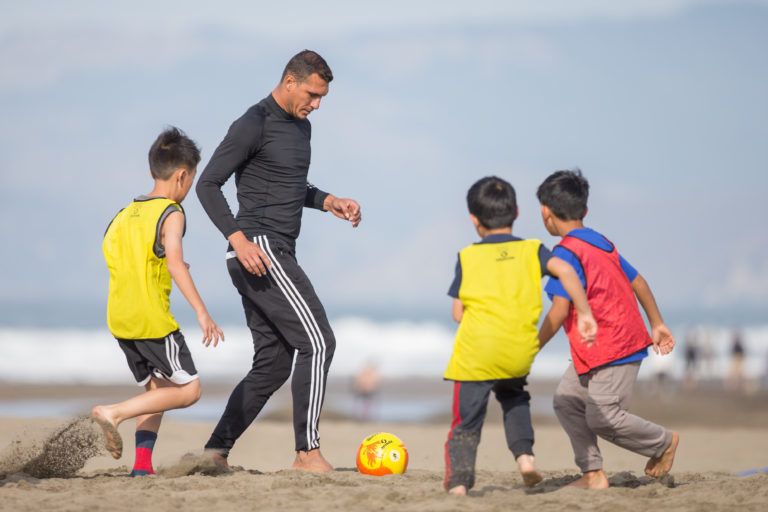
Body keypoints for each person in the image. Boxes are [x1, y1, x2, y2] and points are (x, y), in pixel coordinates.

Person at [196, 50, 361, 473]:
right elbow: (208, 184)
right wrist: (238, 238)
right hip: (260, 249)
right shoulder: (255, 122)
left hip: (270, 250)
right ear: (290, 80)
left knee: (273, 366)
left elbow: (290, 184)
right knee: (320, 342)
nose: (317, 104)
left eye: (322, 97)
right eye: (312, 93)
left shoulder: (301, 128)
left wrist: (329, 201)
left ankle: (216, 451)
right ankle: (307, 453)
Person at [443, 176, 597, 495]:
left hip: (478, 354)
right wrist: (584, 312)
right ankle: (526, 458)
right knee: (514, 398)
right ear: (515, 212)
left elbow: (458, 313)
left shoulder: (467, 257)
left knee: (466, 422)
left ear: (474, 219)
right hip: (519, 351)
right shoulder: (534, 250)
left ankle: (458, 484)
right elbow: (567, 271)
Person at [92, 127, 224, 476]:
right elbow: (175, 263)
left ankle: (142, 467)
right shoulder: (172, 212)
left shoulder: (123, 215)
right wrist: (202, 311)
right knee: (189, 390)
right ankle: (114, 413)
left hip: (120, 318)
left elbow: (125, 259)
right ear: (182, 175)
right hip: (151, 319)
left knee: (158, 391)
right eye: (191, 180)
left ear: (153, 170)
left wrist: (166, 265)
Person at [536, 169, 678, 490]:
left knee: (603, 416)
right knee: (566, 400)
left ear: (545, 213)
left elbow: (558, 313)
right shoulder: (602, 243)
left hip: (616, 348)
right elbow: (638, 281)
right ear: (584, 210)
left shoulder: (563, 256)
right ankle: (592, 473)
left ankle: (663, 443)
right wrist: (657, 323)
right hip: (595, 351)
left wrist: (529, 349)